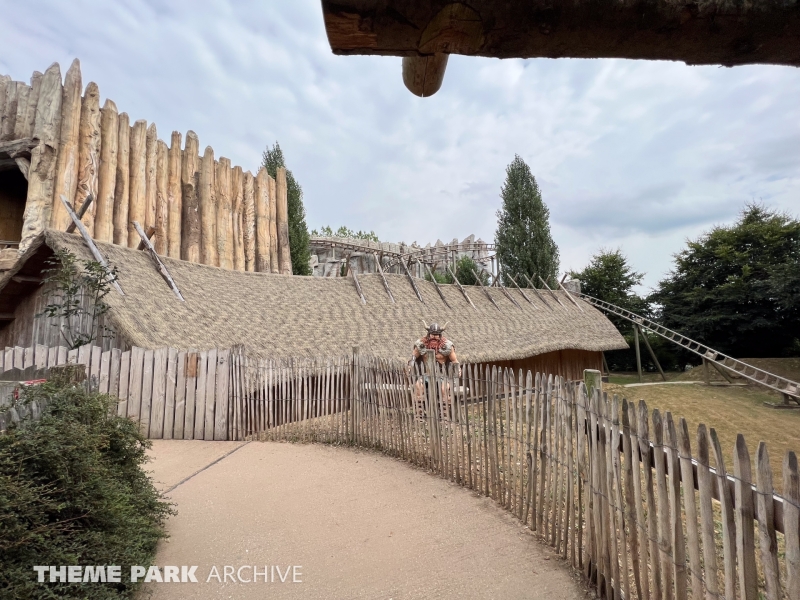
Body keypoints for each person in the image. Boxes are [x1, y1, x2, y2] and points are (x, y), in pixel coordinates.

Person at [409, 321, 460, 419]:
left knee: (444, 389)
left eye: (436, 335)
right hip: (426, 374)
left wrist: (458, 370)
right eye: (432, 334)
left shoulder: (448, 346)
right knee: (418, 386)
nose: (434, 336)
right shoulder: (421, 344)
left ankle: (444, 415)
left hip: (443, 375)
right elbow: (413, 357)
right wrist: (410, 365)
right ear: (428, 334)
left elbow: (455, 361)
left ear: (440, 335)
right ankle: (419, 414)